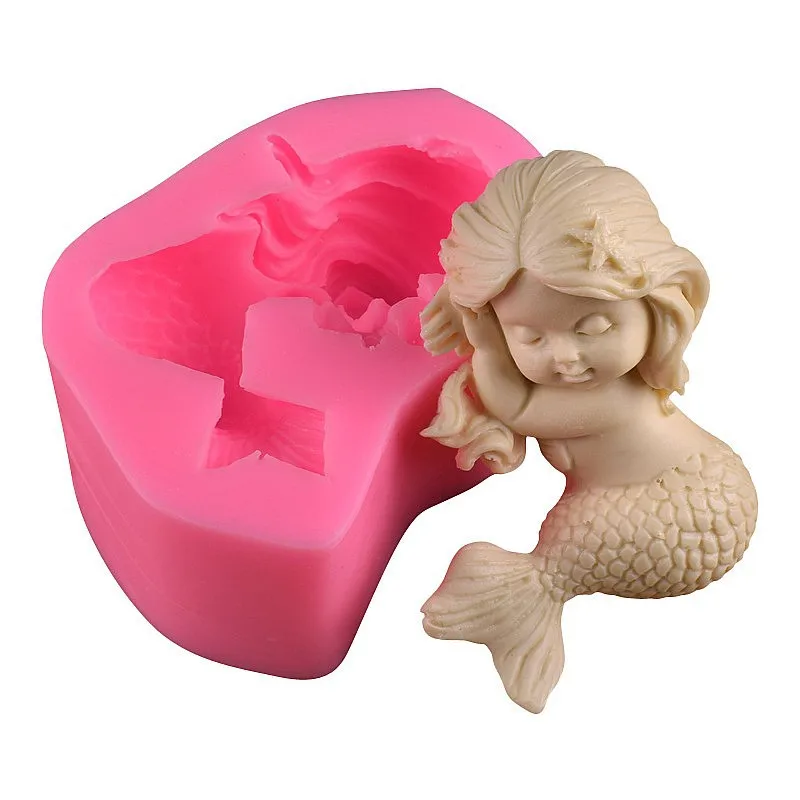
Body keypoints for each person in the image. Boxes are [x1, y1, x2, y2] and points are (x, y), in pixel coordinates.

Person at [418, 151, 757, 713]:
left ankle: (530, 594)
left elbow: (517, 406)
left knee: (556, 565)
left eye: (594, 327)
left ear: (655, 305)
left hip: (687, 507)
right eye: (531, 337)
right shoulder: (592, 385)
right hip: (678, 497)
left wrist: (485, 343)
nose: (566, 358)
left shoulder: (616, 398)